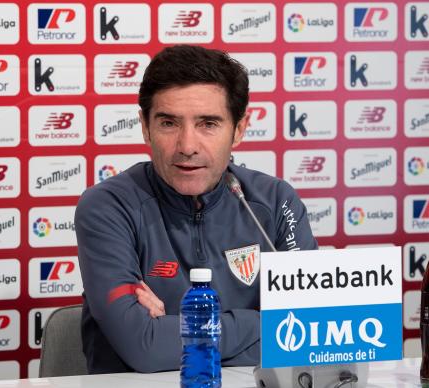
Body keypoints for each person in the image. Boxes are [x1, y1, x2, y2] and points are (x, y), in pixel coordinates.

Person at [75, 45, 318, 374]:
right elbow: (144, 346)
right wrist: (270, 325)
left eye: (208, 123)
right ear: (145, 127)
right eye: (168, 123)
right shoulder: (108, 206)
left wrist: (173, 331)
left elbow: (314, 332)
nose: (187, 146)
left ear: (239, 130)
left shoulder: (275, 201)